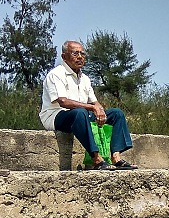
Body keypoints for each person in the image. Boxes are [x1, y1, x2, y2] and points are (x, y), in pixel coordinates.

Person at [39, 40, 137, 171]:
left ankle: (116, 157)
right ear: (64, 57)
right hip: (56, 116)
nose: (80, 57)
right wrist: (91, 108)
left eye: (82, 54)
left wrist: (99, 110)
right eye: (75, 53)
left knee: (116, 114)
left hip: (82, 115)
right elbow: (63, 102)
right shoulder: (56, 74)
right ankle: (96, 159)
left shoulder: (85, 78)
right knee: (80, 113)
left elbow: (94, 102)